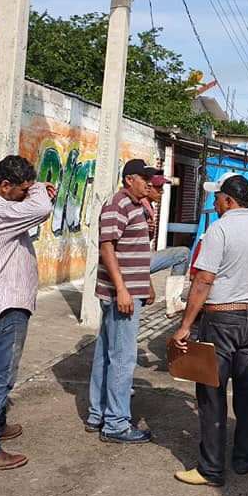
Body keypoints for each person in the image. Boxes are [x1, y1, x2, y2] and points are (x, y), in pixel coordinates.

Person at [172, 173, 248, 487]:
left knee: (211, 392)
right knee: (246, 390)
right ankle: (244, 457)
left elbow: (204, 280)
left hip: (221, 321)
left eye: (216, 198)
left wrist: (186, 325)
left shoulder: (219, 230)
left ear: (229, 200)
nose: (214, 203)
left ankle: (211, 469)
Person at [0, 155, 56, 471]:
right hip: (4, 306)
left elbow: (32, 208)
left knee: (0, 375)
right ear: (5, 185)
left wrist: (33, 190)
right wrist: (40, 192)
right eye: (22, 190)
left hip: (3, 303)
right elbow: (42, 209)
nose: (25, 195)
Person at [85, 159, 155, 444]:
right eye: (144, 179)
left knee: (107, 353)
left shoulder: (137, 205)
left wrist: (146, 284)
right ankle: (115, 423)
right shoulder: (118, 205)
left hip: (129, 291)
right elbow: (107, 248)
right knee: (123, 358)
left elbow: (134, 250)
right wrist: (123, 290)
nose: (149, 184)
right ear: (129, 179)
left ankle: (98, 414)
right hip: (121, 296)